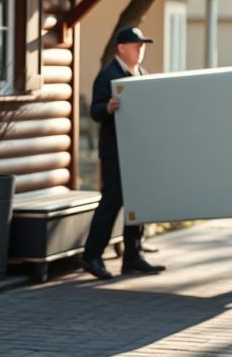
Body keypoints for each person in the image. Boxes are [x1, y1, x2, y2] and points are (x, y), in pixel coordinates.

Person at [81, 27, 166, 280]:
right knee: (111, 203)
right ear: (121, 48)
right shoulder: (108, 75)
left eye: (143, 45)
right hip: (115, 153)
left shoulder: (142, 74)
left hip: (138, 151)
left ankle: (132, 256)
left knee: (138, 203)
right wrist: (107, 107)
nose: (141, 49)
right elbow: (95, 111)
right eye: (136, 45)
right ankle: (92, 256)